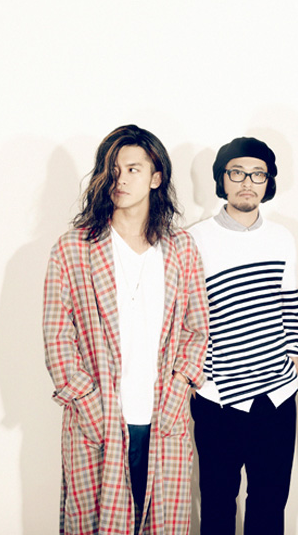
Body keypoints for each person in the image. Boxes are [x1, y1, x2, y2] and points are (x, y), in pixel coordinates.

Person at [43, 124, 208, 534]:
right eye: (113, 170)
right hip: (98, 419)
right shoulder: (73, 248)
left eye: (134, 169)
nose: (121, 179)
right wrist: (88, 403)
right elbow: (57, 336)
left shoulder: (181, 248)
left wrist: (179, 387)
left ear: (156, 178)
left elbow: (197, 328)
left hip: (163, 418)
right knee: (96, 523)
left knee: (163, 524)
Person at [187, 137, 298, 534]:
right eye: (237, 173)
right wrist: (200, 377)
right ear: (222, 179)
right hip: (218, 396)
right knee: (217, 506)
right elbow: (184, 316)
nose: (247, 183)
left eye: (258, 174)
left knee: (269, 507)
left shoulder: (281, 237)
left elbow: (290, 304)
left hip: (276, 395)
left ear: (268, 182)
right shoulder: (194, 239)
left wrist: (294, 353)